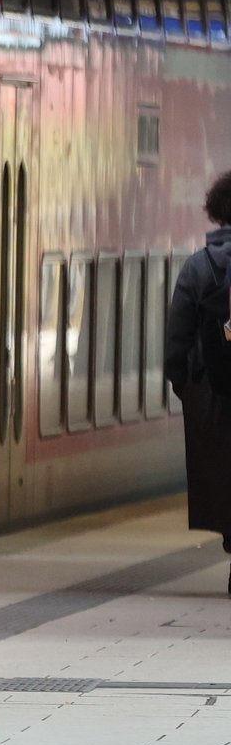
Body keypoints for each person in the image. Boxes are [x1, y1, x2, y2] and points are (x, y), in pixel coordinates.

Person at [164, 169, 231, 583]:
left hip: (214, 395)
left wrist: (187, 388)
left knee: (222, 476)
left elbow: (177, 342)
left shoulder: (198, 267)